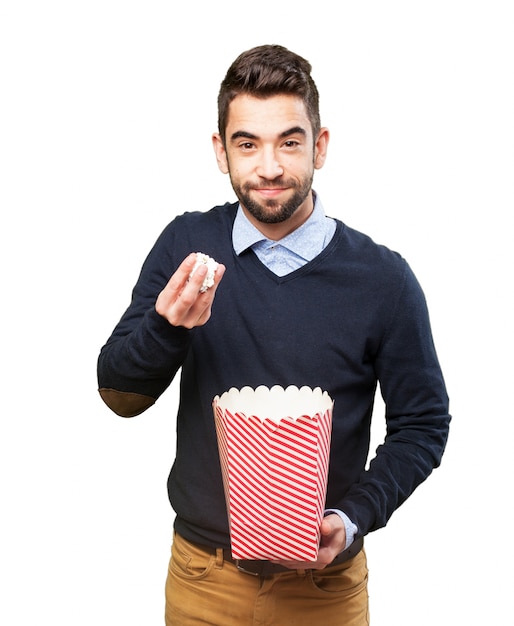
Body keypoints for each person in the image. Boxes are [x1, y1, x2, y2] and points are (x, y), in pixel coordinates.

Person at [97, 44, 450, 625]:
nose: (268, 167)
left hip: (325, 587)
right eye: (247, 143)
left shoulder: (384, 278)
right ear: (220, 152)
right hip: (203, 579)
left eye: (289, 141)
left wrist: (355, 516)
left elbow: (423, 424)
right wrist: (168, 329)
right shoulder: (187, 246)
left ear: (321, 145)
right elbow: (120, 396)